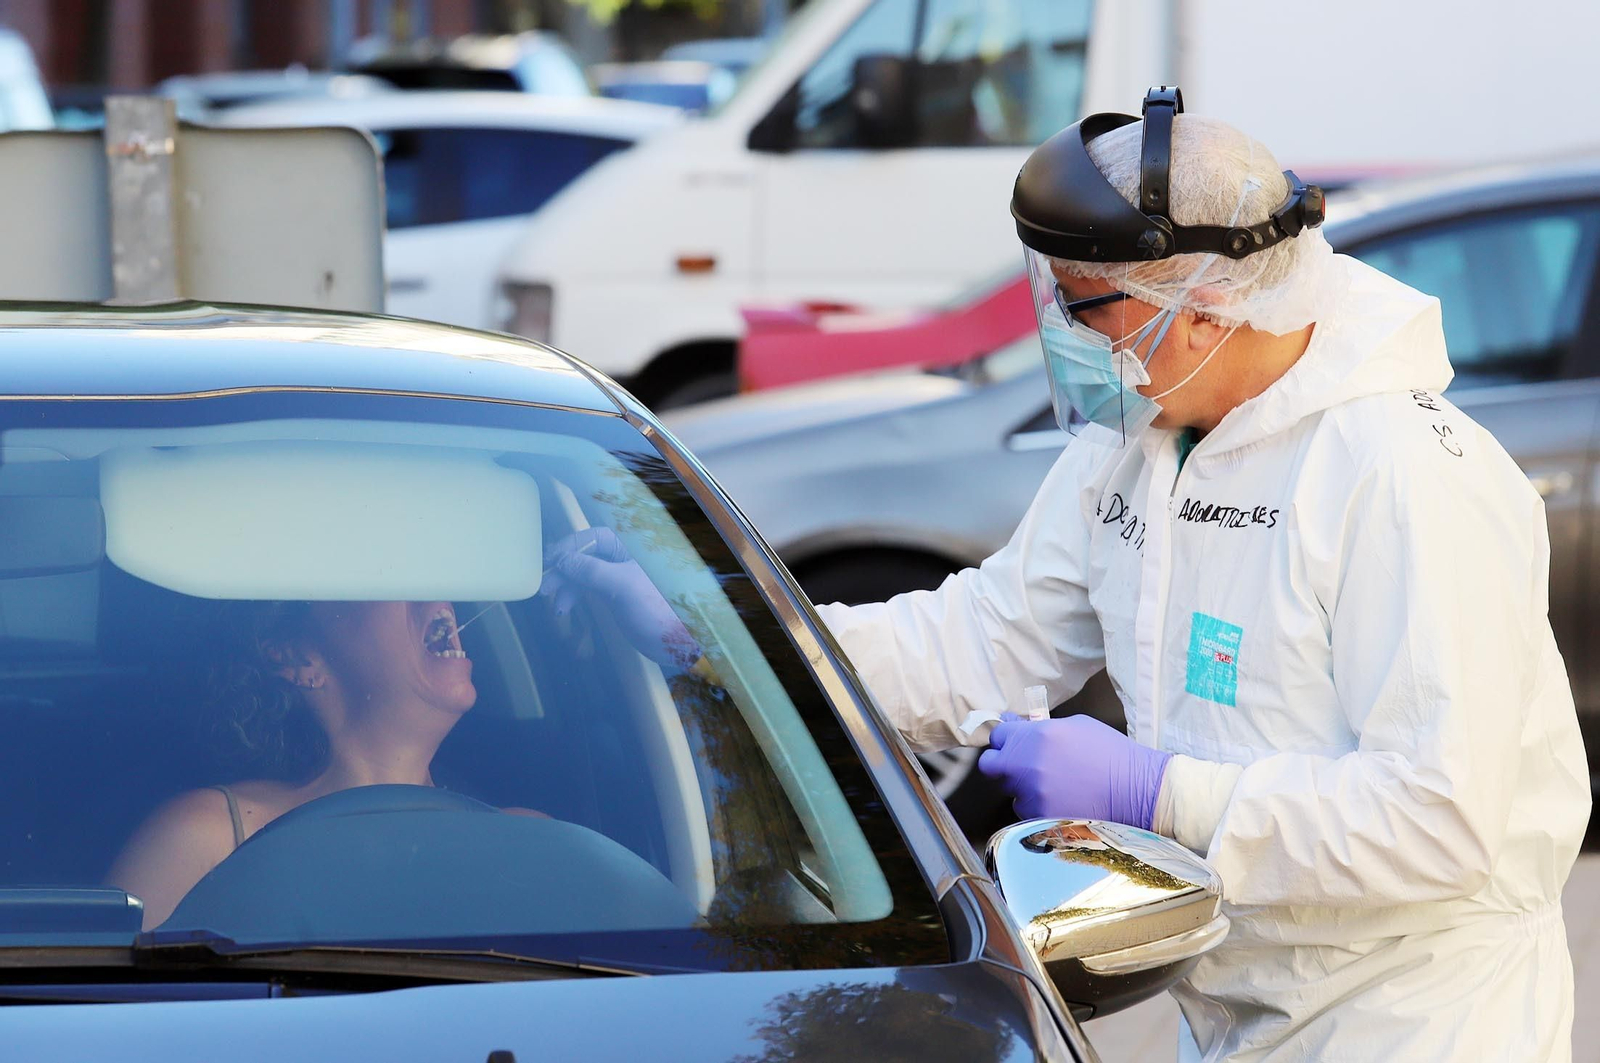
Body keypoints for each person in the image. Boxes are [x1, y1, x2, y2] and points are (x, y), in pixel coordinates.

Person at [556, 88, 1590, 1060]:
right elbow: (980, 639)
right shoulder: (1137, 443)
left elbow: (1439, 819)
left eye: (1085, 307)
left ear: (1201, 305)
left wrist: (1157, 794)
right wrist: (730, 632)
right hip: (1241, 1004)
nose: (1064, 338)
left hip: (1419, 1018)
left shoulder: (1401, 474)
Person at [109, 599, 494, 928]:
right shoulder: (202, 839)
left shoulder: (528, 839)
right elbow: (106, 1003)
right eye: (387, 569)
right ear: (300, 658)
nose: (439, 586)